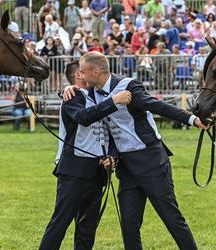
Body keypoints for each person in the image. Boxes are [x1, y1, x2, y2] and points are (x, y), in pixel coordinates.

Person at [63, 51, 207, 250]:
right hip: (127, 169)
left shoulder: (128, 86)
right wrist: (66, 89)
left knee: (171, 217)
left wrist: (191, 119)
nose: (80, 75)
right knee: (129, 225)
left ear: (96, 72)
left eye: (83, 72)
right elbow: (108, 129)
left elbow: (156, 105)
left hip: (151, 163)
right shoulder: (93, 93)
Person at [39, 60, 132, 250]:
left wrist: (112, 156)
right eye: (86, 72)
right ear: (79, 76)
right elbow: (84, 118)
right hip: (74, 171)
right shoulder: (72, 97)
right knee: (60, 223)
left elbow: (111, 133)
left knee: (88, 228)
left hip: (96, 172)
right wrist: (114, 101)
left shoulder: (98, 99)